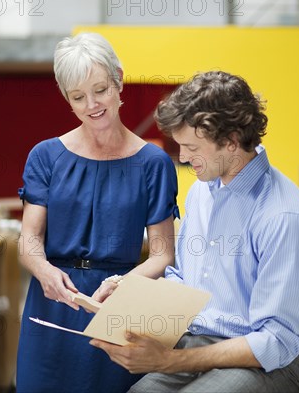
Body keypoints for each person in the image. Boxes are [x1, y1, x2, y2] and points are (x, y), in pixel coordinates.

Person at [89, 71, 299, 392]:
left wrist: (168, 361)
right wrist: (130, 295)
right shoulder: (202, 192)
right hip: (197, 341)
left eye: (190, 147)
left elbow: (276, 341)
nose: (183, 158)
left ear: (230, 142)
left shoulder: (284, 215)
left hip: (266, 362)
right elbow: (184, 280)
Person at [16, 32, 178, 393]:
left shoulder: (152, 163)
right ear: (67, 99)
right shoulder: (45, 156)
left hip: (118, 306)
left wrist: (123, 284)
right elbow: (29, 240)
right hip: (52, 303)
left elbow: (163, 253)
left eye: (101, 89)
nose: (92, 104)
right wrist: (44, 271)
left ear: (119, 79)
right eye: (78, 97)